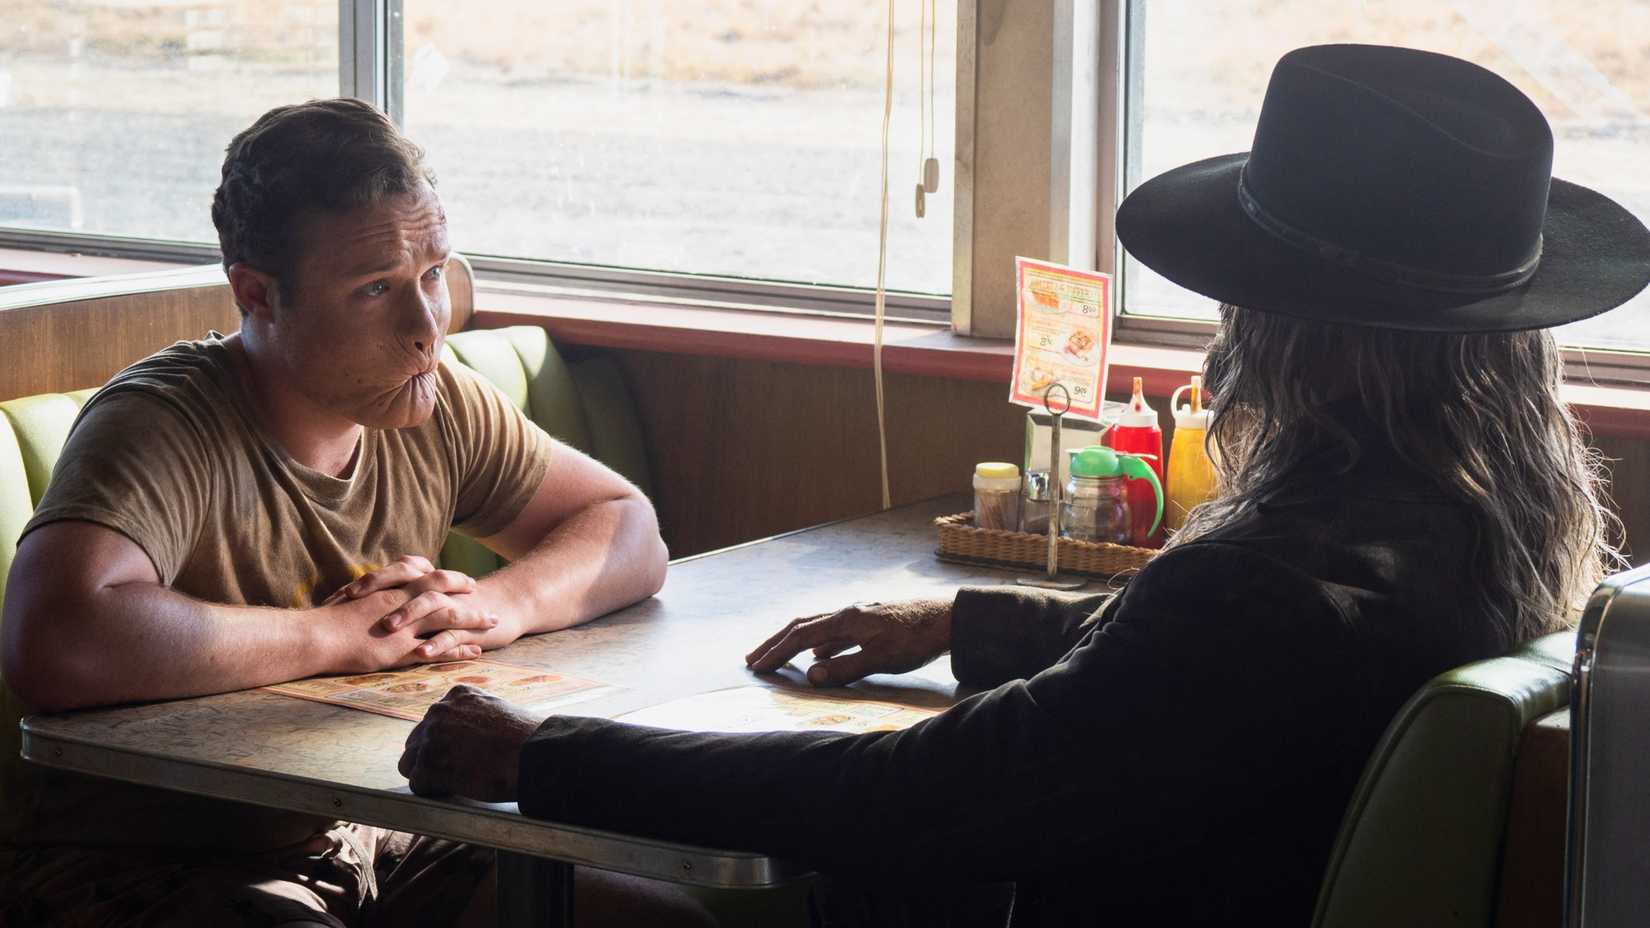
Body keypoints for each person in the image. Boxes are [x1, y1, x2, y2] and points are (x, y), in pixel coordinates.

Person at [403, 44, 1650, 925]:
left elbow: (919, 798)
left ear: (1294, 329)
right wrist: (964, 622)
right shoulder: (1486, 537)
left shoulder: (1253, 591)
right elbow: (1195, 686)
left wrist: (545, 752)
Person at [0, 99, 690, 926]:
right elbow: (58, 640)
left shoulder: (434, 401)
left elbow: (626, 525)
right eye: (376, 289)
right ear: (258, 293)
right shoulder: (161, 420)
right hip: (151, 863)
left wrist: (496, 602)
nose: (426, 327)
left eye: (433, 275)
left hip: (381, 835)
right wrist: (335, 637)